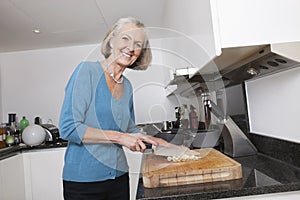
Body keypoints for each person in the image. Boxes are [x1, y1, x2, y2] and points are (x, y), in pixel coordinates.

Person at [59, 17, 169, 200]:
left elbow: (129, 129)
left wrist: (159, 142)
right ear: (111, 41)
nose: (131, 47)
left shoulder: (127, 86)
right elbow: (69, 127)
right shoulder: (86, 71)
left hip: (119, 178)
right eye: (125, 38)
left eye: (138, 43)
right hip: (84, 182)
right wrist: (120, 137)